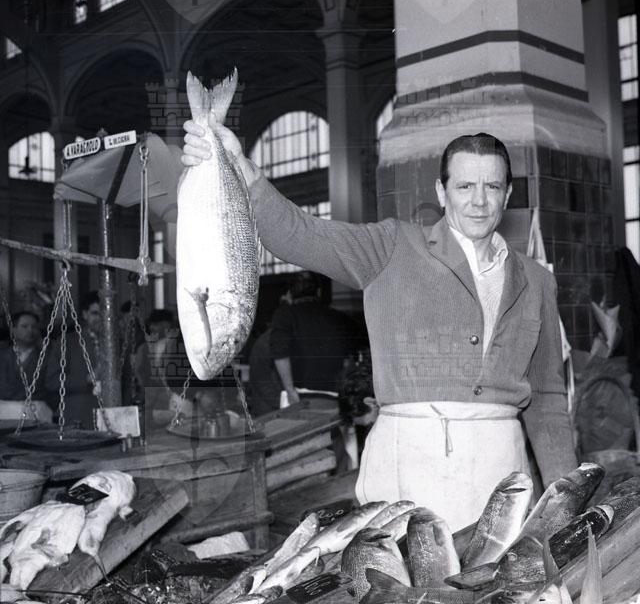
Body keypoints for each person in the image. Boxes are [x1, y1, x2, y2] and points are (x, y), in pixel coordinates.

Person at [182, 121, 578, 530]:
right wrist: (238, 167)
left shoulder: (536, 280)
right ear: (442, 192)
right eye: (464, 186)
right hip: (406, 472)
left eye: (492, 186)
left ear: (507, 194)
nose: (479, 201)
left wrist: (565, 499)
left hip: (501, 477)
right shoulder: (392, 247)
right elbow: (297, 234)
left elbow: (547, 399)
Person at [269, 271, 360, 405]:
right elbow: (353, 357)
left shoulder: (284, 315)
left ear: (290, 292)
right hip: (333, 394)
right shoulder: (339, 317)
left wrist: (290, 389)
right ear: (319, 292)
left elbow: (280, 354)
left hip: (299, 395)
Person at [45, 290, 103, 429]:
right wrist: (86, 379)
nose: (100, 318)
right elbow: (52, 381)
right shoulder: (67, 342)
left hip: (113, 413)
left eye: (104, 314)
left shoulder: (118, 343)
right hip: (79, 416)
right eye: (95, 313)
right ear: (85, 314)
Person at [0, 311, 47, 401]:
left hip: (34, 405)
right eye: (24, 326)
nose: (30, 330)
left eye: (34, 327)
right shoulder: (2, 355)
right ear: (13, 330)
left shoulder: (46, 357)